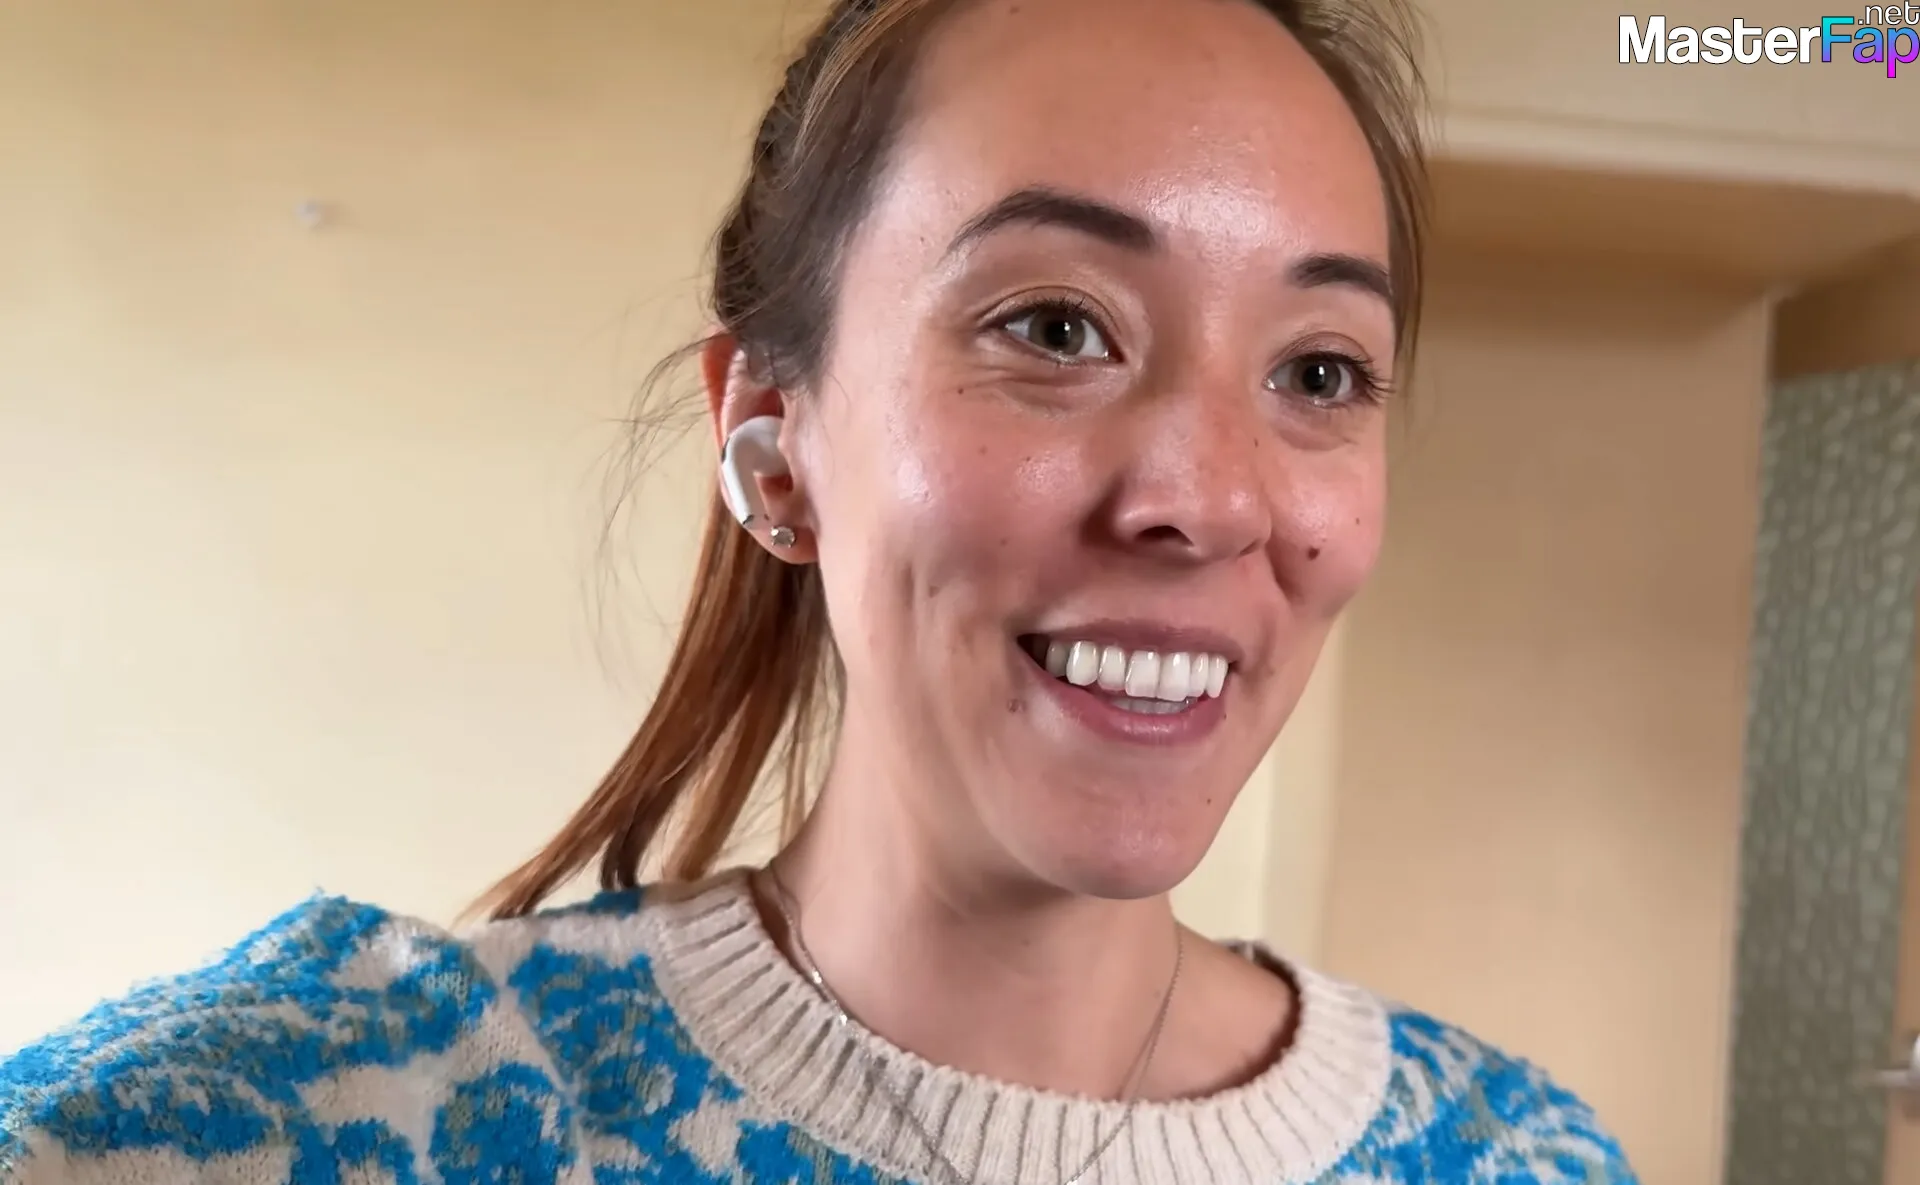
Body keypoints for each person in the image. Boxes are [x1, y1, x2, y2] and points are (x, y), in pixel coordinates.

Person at [0, 0, 1640, 1181]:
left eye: (1321, 370)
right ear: (776, 446)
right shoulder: (333, 1118)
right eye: (1056, 328)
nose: (1211, 500)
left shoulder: (1517, 1157)